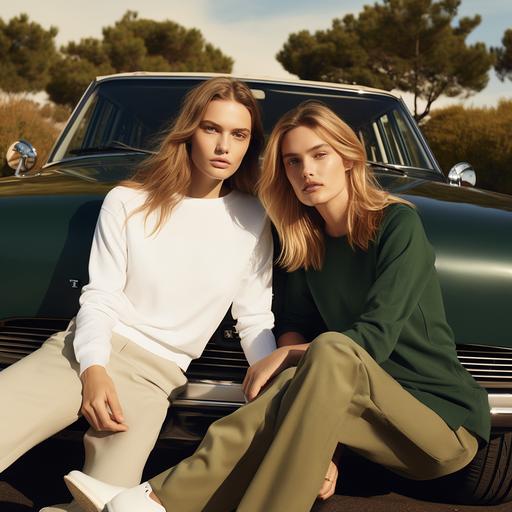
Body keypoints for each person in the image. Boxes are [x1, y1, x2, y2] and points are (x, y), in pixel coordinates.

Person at [62, 101, 491, 512]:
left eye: (319, 155)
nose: (307, 171)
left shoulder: (398, 225)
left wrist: (287, 355)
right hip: (364, 413)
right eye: (292, 161)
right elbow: (296, 324)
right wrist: (324, 435)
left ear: (348, 157)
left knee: (331, 349)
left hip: (439, 427)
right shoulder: (308, 240)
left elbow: (373, 338)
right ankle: (152, 503)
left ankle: (153, 499)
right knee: (306, 384)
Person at [0, 77, 277, 512]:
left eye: (238, 135)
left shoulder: (254, 217)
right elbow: (100, 296)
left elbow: (255, 317)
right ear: (189, 132)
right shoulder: (128, 201)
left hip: (154, 381)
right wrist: (93, 370)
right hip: (82, 356)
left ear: (249, 144)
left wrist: (272, 385)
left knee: (109, 506)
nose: (224, 146)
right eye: (211, 129)